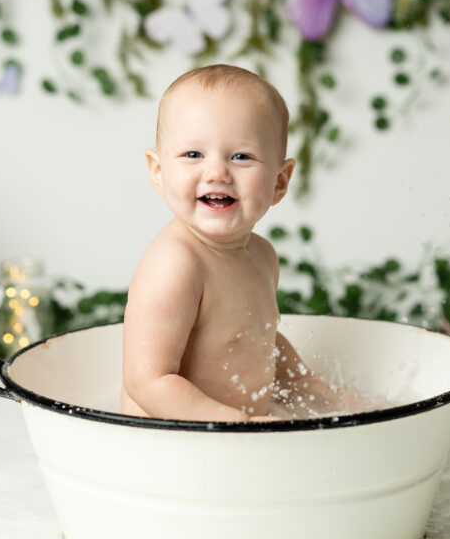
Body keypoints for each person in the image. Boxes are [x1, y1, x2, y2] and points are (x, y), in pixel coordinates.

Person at [121, 64, 365, 422]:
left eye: (241, 157)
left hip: (239, 444)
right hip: (170, 448)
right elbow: (148, 382)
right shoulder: (175, 264)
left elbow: (257, 341)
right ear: (158, 171)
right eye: (193, 155)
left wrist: (315, 391)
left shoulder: (262, 256)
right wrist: (240, 425)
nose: (217, 172)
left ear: (280, 181)